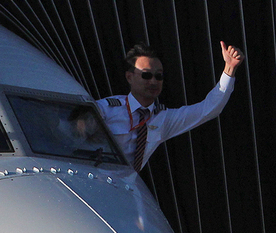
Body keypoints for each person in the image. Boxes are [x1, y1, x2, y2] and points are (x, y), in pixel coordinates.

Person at [98, 41, 243, 170]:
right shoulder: (107, 108)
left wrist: (229, 69)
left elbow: (207, 110)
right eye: (146, 75)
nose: (153, 82)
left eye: (159, 76)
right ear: (129, 77)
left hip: (125, 185)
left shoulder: (163, 118)